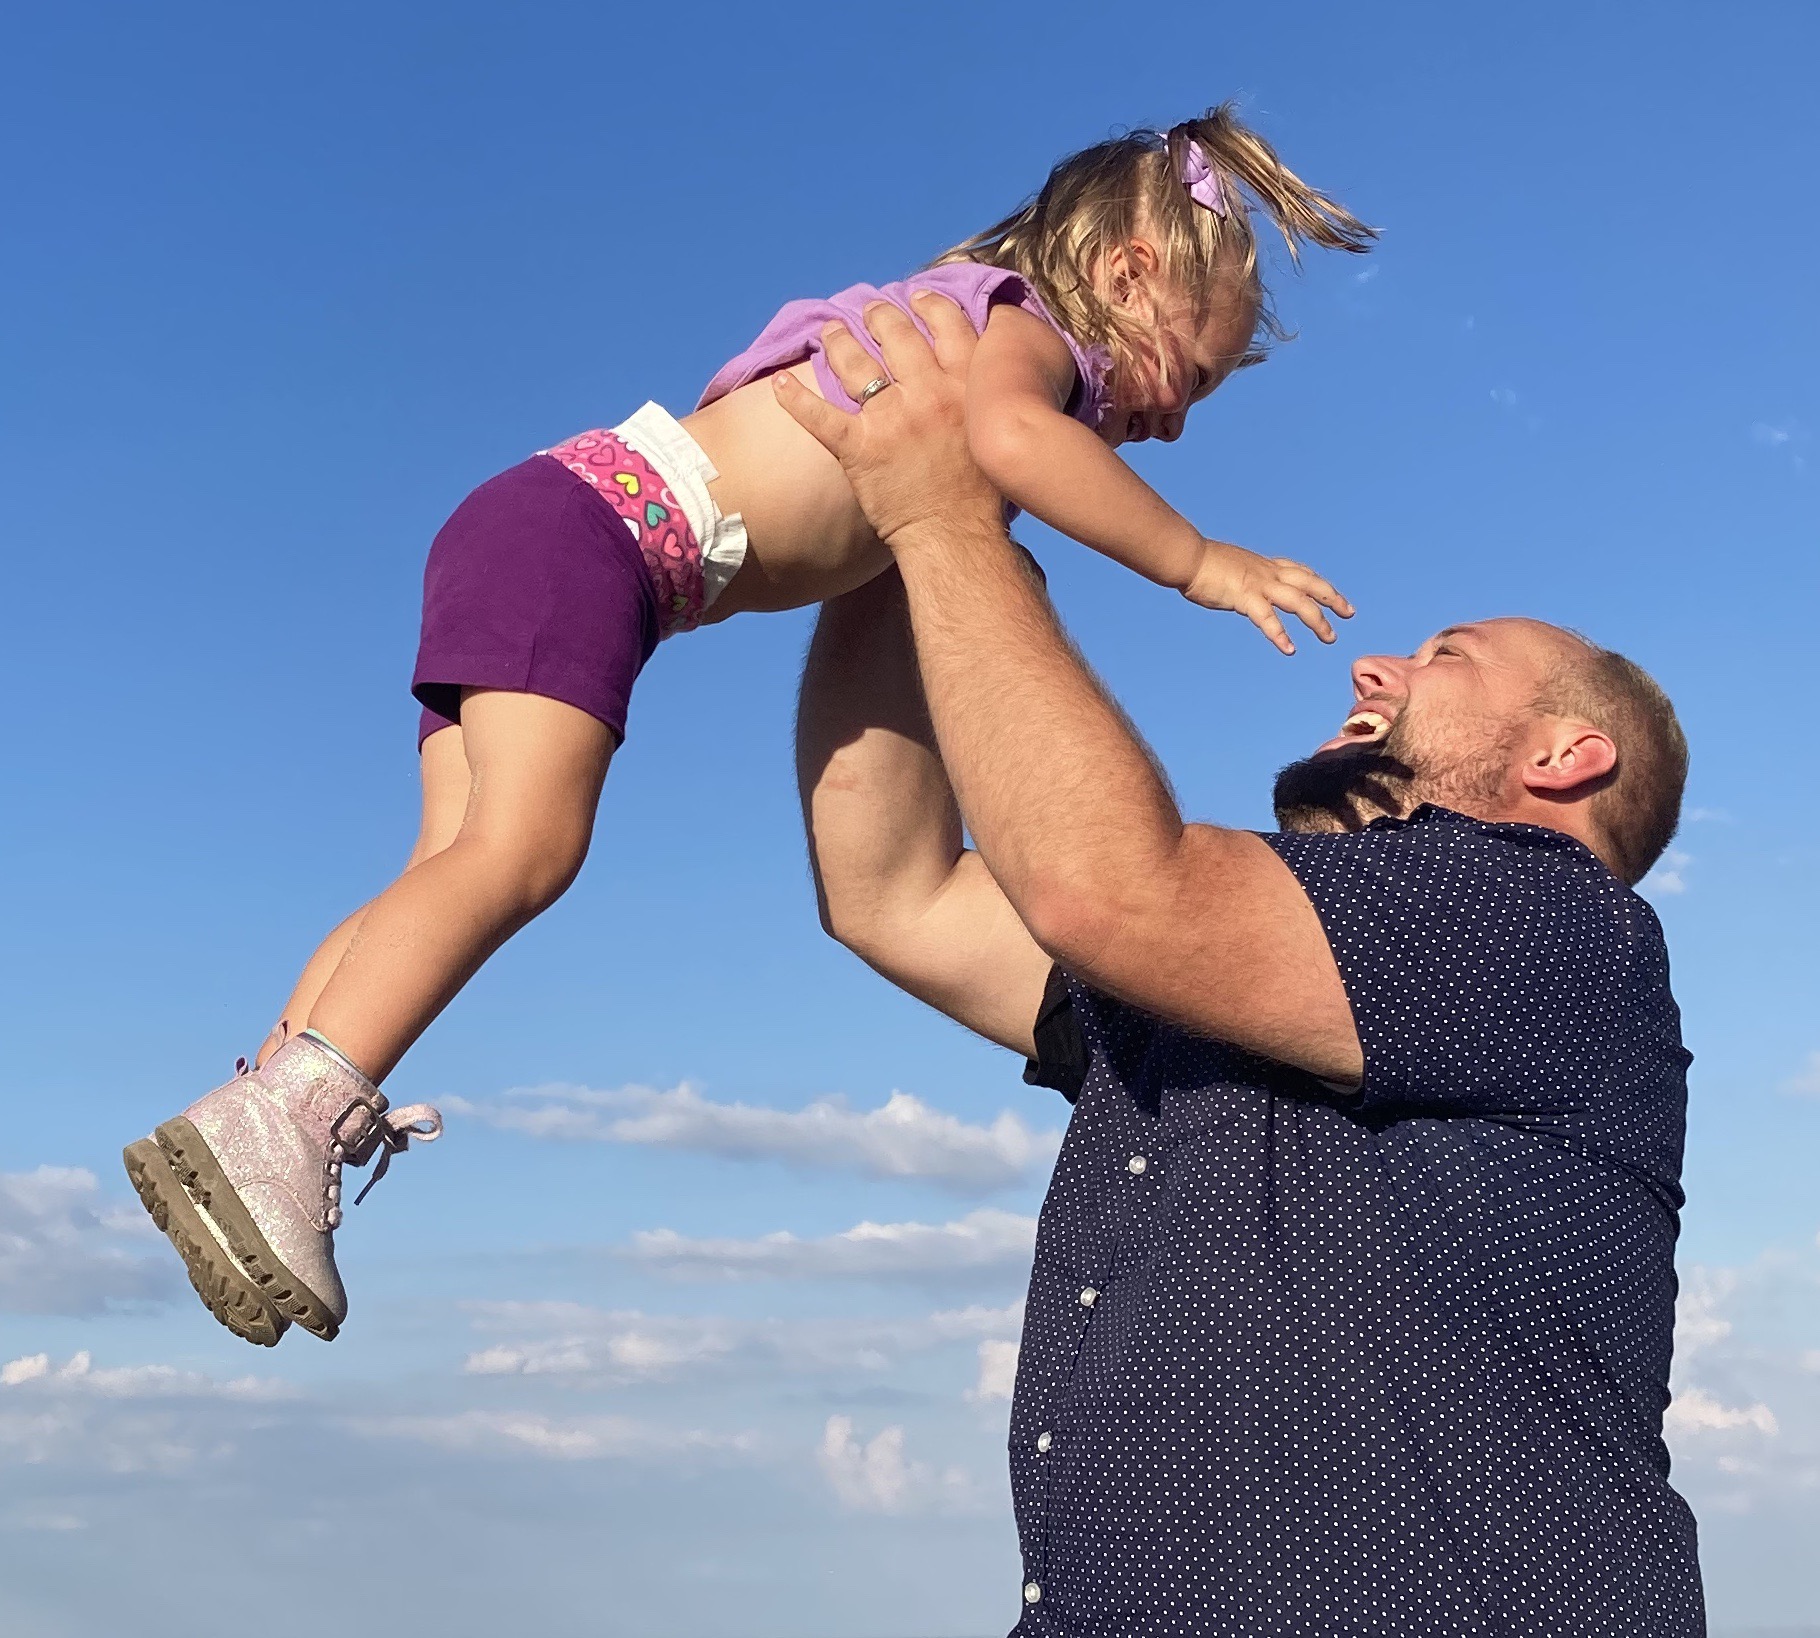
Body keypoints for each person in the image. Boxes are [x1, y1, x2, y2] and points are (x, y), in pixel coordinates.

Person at [124, 106, 1372, 1349]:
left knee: (454, 863)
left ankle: (263, 1115)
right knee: (527, 849)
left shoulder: (950, 317)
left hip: (542, 514)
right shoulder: (1017, 337)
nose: (1174, 421)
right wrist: (1196, 559)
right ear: (1125, 274)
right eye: (1191, 376)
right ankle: (295, 1114)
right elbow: (1010, 440)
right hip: (599, 541)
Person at [787, 302, 1703, 1634]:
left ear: (1565, 756)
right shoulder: (1228, 980)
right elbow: (896, 892)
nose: (1378, 662)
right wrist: (894, 534)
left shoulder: (1554, 924)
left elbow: (1103, 887)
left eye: (1447, 655)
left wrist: (945, 523)